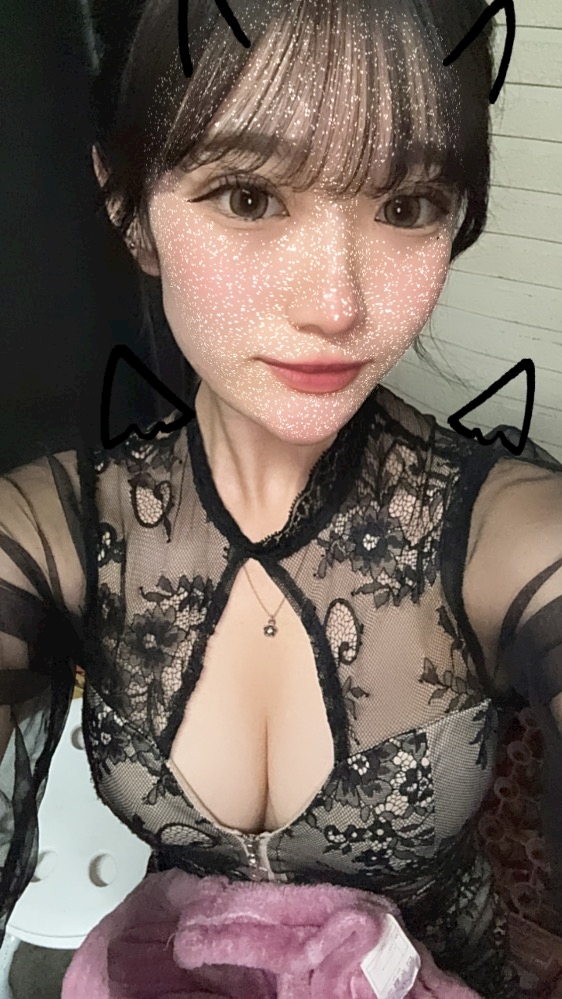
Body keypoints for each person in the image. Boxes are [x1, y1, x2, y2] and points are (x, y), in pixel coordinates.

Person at [0, 1, 561, 996]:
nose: (336, 305)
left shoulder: (507, 535)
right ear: (129, 207)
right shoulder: (52, 529)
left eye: (408, 205)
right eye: (249, 196)